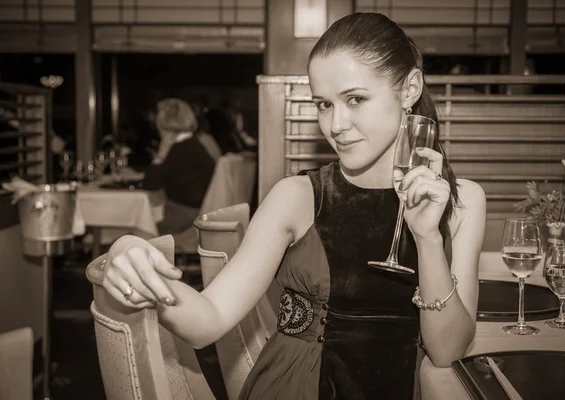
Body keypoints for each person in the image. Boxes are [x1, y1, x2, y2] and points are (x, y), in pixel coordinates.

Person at [102, 13, 486, 399]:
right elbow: (208, 319)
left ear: (410, 89)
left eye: (355, 99)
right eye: (323, 104)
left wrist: (428, 239)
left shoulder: (463, 201)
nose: (336, 124)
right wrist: (128, 251)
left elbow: (446, 352)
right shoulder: (296, 196)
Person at [141, 98, 215, 235]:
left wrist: (161, 153)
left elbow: (150, 184)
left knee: (136, 228)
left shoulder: (179, 149)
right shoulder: (195, 145)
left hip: (185, 216)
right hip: (200, 212)